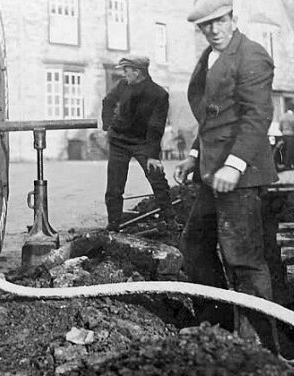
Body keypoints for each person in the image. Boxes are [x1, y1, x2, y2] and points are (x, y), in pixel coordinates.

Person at [174, 0, 280, 353]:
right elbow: (213, 118)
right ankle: (216, 329)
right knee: (195, 245)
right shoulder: (210, 57)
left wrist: (233, 165)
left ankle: (261, 349)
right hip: (211, 173)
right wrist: (193, 155)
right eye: (206, 26)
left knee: (244, 259)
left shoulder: (252, 55)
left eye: (219, 22)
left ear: (233, 18)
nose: (214, 31)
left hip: (240, 176)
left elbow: (256, 117)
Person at [101, 55, 171, 231]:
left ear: (137, 71)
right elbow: (107, 102)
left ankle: (170, 219)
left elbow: (156, 126)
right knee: (114, 186)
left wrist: (153, 155)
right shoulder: (122, 86)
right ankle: (114, 224)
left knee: (157, 178)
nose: (124, 74)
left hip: (143, 143)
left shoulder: (159, 94)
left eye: (126, 70)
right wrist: (107, 125)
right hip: (119, 141)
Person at [279, 103, 294, 169]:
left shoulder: (283, 116)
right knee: (290, 151)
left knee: (284, 150)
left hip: (283, 135)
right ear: (293, 109)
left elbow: (279, 127)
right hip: (291, 136)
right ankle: (288, 165)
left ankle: (283, 163)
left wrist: (283, 131)